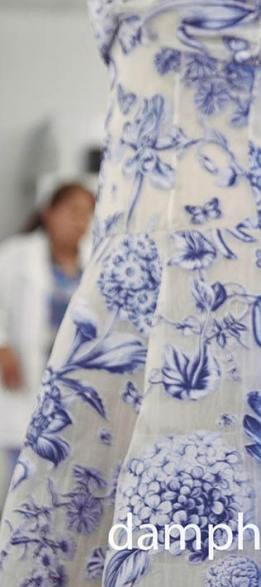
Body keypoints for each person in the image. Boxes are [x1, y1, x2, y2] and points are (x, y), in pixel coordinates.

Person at [0, 180, 95, 501]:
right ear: (49, 213)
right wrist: (2, 346)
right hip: (27, 378)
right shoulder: (16, 255)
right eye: (73, 211)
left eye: (87, 213)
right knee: (22, 485)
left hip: (74, 383)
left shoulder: (94, 260)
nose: (80, 221)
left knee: (64, 486)